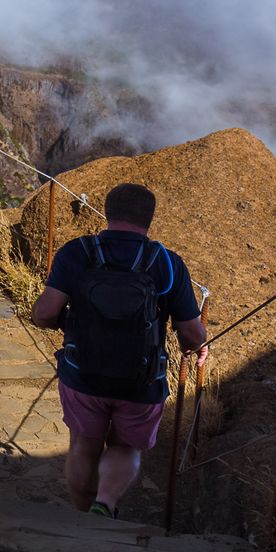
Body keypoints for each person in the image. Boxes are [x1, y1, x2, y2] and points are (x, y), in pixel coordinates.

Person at [31, 183, 208, 518]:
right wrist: (198, 347)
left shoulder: (77, 253)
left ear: (108, 212)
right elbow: (191, 331)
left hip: (82, 375)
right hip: (141, 383)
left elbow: (44, 313)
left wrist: (61, 324)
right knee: (126, 446)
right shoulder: (168, 264)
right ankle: (105, 505)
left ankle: (83, 516)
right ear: (149, 220)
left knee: (84, 444)